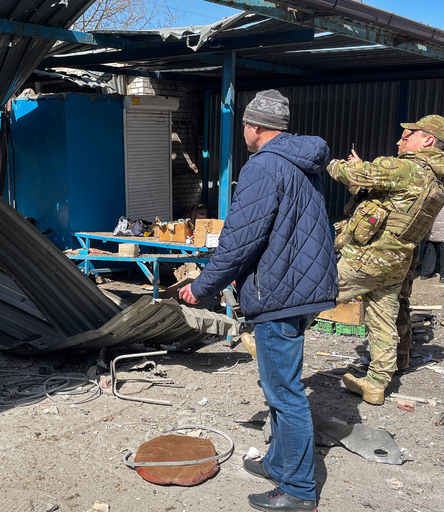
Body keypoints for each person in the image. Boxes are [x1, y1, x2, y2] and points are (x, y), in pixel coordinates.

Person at [178, 90, 337, 512]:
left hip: (280, 293)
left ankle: (299, 490)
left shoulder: (263, 167)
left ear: (255, 127)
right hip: (302, 290)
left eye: (246, 125)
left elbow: (238, 241)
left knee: (284, 392)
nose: (244, 132)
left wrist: (203, 286)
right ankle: (278, 463)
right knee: (279, 388)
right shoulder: (301, 162)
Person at [328, 115, 444, 404]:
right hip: (396, 263)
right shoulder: (436, 178)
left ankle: (268, 343)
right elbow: (389, 201)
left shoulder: (406, 168)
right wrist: (364, 173)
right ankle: (375, 384)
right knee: (383, 321)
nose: (400, 140)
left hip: (366, 257)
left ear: (428, 140)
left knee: (314, 296)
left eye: (407, 135)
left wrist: (334, 162)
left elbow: (349, 174)